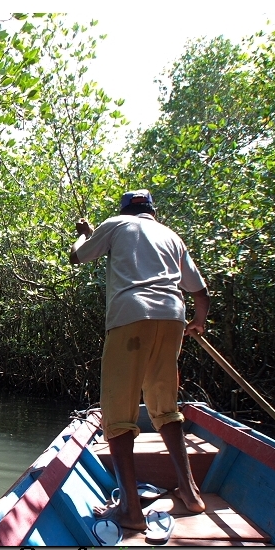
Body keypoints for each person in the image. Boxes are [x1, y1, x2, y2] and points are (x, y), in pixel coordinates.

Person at [69, 189, 210, 531]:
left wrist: (81, 237)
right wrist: (199, 323)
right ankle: (191, 494)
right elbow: (200, 292)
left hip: (132, 314)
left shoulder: (115, 224)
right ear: (152, 211)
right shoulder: (171, 237)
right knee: (165, 406)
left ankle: (131, 512)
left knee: (118, 412)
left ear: (124, 210)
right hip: (174, 316)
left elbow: (78, 258)